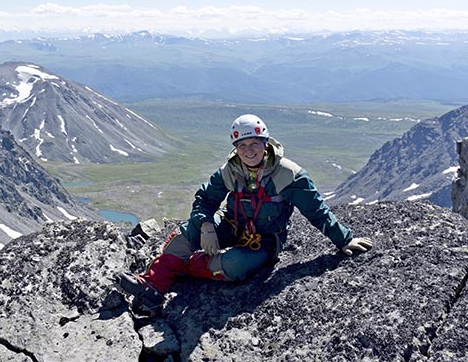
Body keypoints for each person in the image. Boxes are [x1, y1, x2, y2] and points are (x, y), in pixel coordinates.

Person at [117, 114, 373, 316]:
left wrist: (344, 239)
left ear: (266, 144)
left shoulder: (289, 175)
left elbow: (317, 211)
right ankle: (152, 289)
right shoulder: (230, 170)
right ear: (236, 147)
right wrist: (206, 225)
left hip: (263, 242)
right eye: (242, 145)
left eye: (254, 144)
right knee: (184, 236)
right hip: (231, 225)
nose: (249, 150)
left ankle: (176, 266)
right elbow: (204, 200)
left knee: (234, 266)